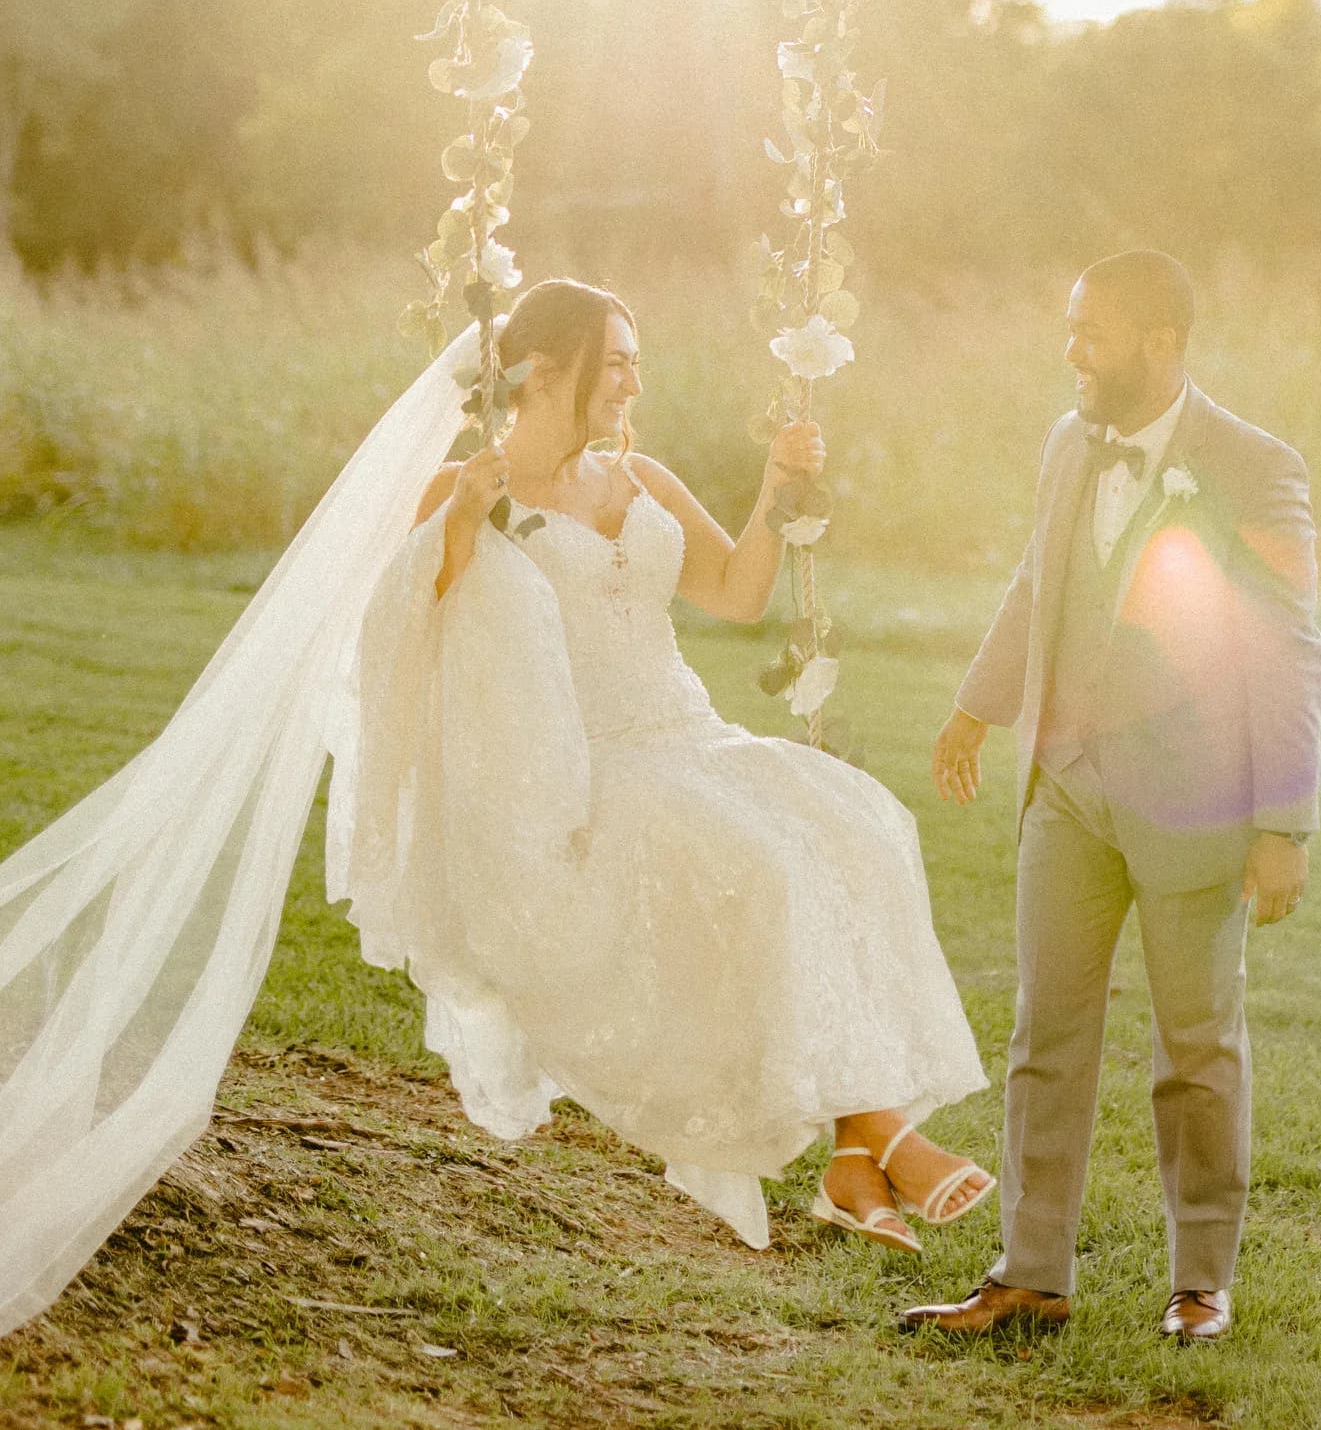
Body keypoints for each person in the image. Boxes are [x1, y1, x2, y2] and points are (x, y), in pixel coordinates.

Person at [0, 278, 990, 1337]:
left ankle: (855, 1148)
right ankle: (877, 1136)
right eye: (616, 361)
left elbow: (737, 594)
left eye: (637, 362)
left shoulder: (641, 476)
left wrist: (776, 486)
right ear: (547, 370)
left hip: (691, 734)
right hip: (594, 765)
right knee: (770, 862)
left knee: (861, 829)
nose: (635, 383)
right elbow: (398, 637)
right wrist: (464, 524)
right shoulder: (469, 487)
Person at [901, 250, 1321, 1347]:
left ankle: (1200, 1283)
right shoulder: (1065, 442)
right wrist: (977, 706)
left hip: (1194, 807)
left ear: (1162, 343)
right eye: (1071, 328)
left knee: (1195, 1048)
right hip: (1069, 792)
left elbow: (1288, 650)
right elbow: (1038, 577)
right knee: (1046, 1034)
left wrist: (1283, 822)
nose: (1074, 351)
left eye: (1093, 332)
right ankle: (1030, 1274)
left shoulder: (1253, 465)